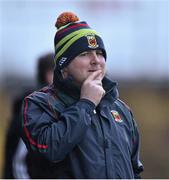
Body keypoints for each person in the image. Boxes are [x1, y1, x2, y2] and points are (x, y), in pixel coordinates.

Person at [21, 12, 143, 179]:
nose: (96, 60)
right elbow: (48, 150)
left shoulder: (121, 110)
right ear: (64, 67)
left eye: (99, 53)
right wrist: (86, 103)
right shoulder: (39, 104)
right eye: (84, 54)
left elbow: (134, 170)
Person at [3, 53, 55, 179]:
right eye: (59, 71)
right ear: (47, 74)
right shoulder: (32, 108)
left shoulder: (58, 105)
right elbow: (18, 162)